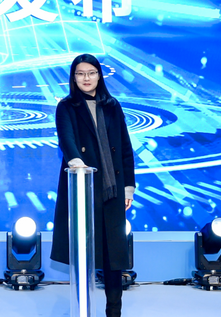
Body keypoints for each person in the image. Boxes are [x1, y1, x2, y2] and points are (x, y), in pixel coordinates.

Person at [51, 54, 137, 317]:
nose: (86, 78)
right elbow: (66, 139)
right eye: (80, 73)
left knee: (114, 256)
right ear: (73, 77)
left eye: (91, 72)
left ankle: (114, 311)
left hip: (112, 188)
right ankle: (82, 309)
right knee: (83, 252)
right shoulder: (66, 106)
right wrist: (77, 164)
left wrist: (128, 187)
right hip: (82, 188)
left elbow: (125, 148)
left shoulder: (113, 106)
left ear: (99, 75)